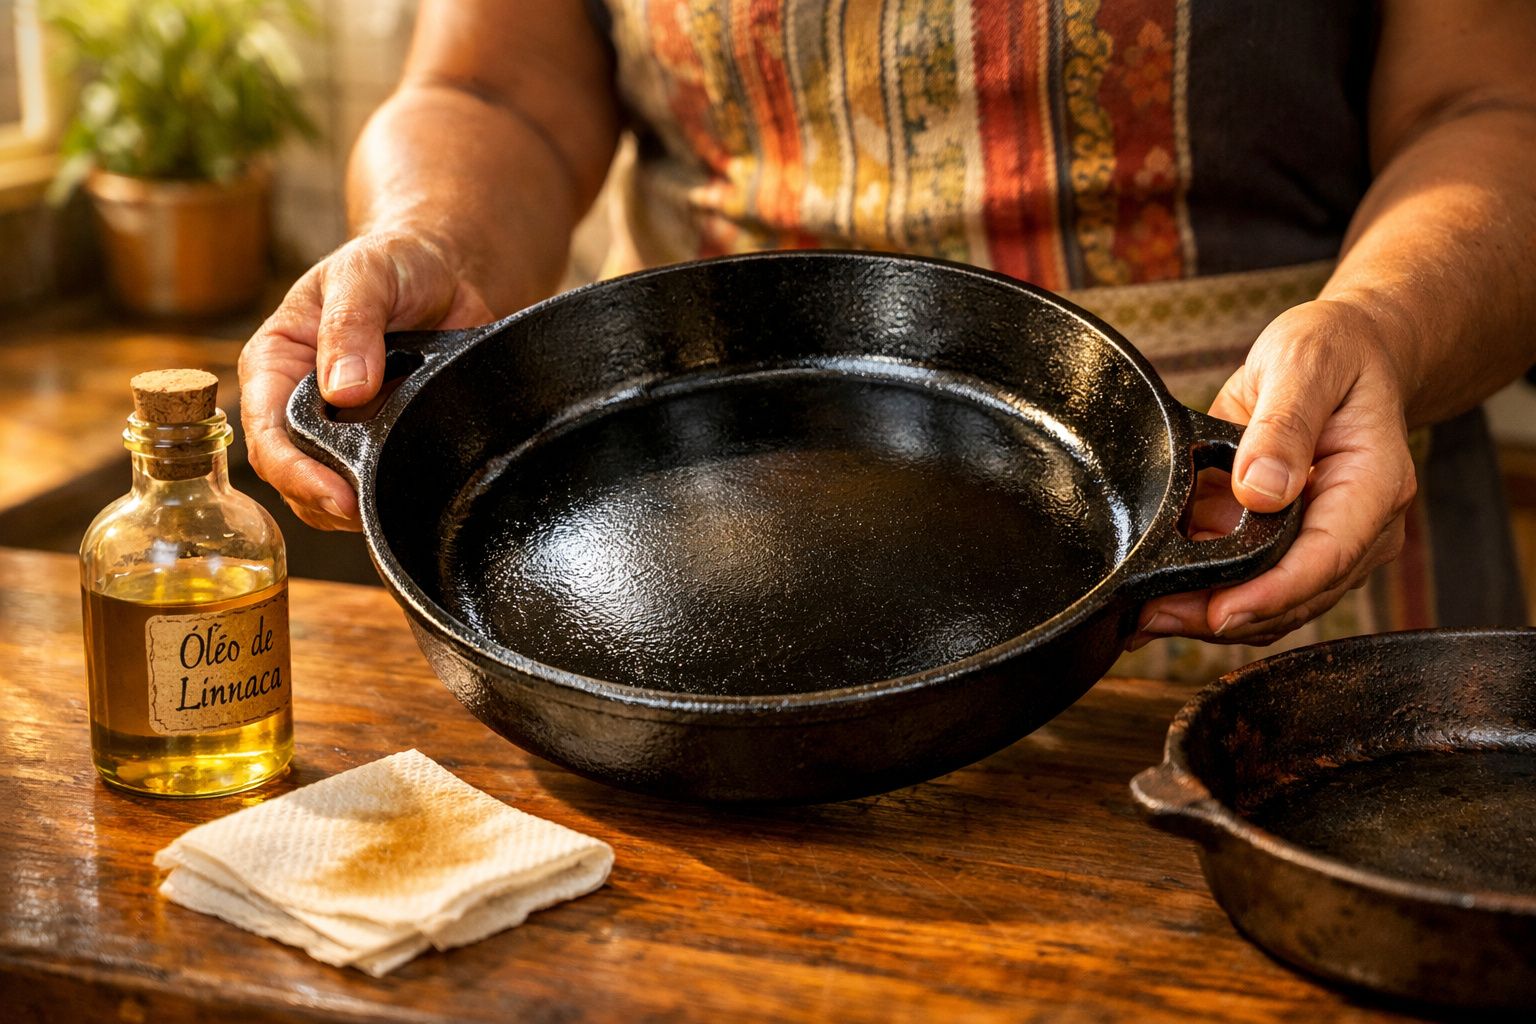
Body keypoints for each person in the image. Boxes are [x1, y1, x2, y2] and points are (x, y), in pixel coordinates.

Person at [240, 0, 1536, 678]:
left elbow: (1493, 102)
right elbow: (492, 88)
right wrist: (437, 236)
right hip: (676, 572)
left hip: (1253, 507)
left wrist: (1383, 321)